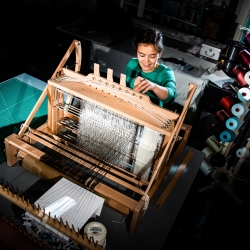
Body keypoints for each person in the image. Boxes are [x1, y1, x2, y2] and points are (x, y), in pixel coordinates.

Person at [124, 28, 177, 107]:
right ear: (136, 51)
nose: (146, 61)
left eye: (152, 56)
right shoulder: (132, 64)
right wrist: (133, 82)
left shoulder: (165, 73)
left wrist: (153, 86)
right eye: (142, 55)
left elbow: (171, 97)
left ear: (160, 53)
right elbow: (123, 84)